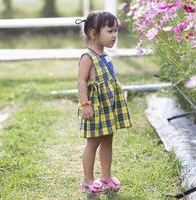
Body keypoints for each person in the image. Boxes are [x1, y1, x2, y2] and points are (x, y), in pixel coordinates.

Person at [75, 11, 132, 195]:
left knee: (108, 139)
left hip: (108, 107)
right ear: (94, 33)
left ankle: (106, 176)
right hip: (95, 107)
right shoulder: (87, 57)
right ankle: (87, 181)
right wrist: (85, 104)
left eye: (116, 31)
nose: (115, 35)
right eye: (110, 31)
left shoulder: (106, 55)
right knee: (93, 143)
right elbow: (81, 81)